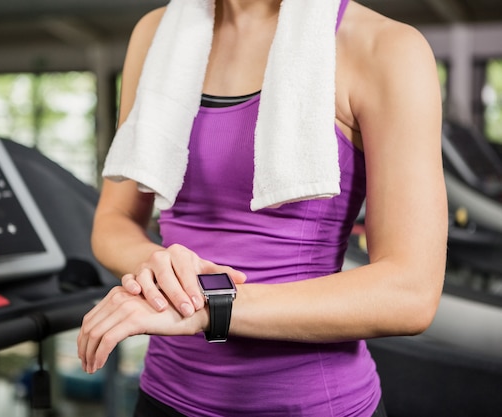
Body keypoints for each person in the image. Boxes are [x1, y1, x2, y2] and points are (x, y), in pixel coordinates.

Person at [78, 0, 447, 415]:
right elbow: (113, 221)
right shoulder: (155, 33)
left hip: (314, 405)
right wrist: (166, 271)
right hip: (165, 397)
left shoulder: (386, 47)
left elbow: (410, 293)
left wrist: (211, 304)